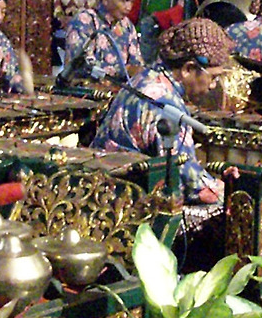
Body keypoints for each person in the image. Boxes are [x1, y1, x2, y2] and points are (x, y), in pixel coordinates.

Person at [93, 18, 232, 205]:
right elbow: (186, 179)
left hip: (101, 185)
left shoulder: (145, 77)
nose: (213, 86)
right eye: (213, 77)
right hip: (121, 199)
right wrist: (224, 188)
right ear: (188, 69)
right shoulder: (165, 105)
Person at [62, 0, 144, 84]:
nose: (129, 7)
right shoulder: (84, 20)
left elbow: (136, 63)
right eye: (125, 0)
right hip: (86, 91)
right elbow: (82, 66)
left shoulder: (127, 26)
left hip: (118, 93)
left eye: (132, 2)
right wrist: (125, 71)